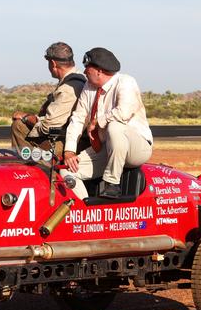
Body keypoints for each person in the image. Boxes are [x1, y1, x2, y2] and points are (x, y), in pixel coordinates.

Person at [61, 47, 153, 199]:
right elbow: (78, 118)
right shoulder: (89, 87)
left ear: (99, 71)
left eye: (87, 68)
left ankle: (112, 184)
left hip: (136, 148)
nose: (84, 72)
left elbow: (123, 112)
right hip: (107, 147)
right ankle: (86, 212)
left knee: (115, 126)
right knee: (67, 171)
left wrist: (97, 122)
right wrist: (69, 151)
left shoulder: (125, 82)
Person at [11, 42, 86, 158]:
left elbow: (48, 128)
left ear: (53, 63)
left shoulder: (67, 89)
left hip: (66, 143)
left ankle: (38, 169)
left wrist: (27, 118)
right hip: (76, 137)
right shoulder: (79, 78)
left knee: (18, 125)